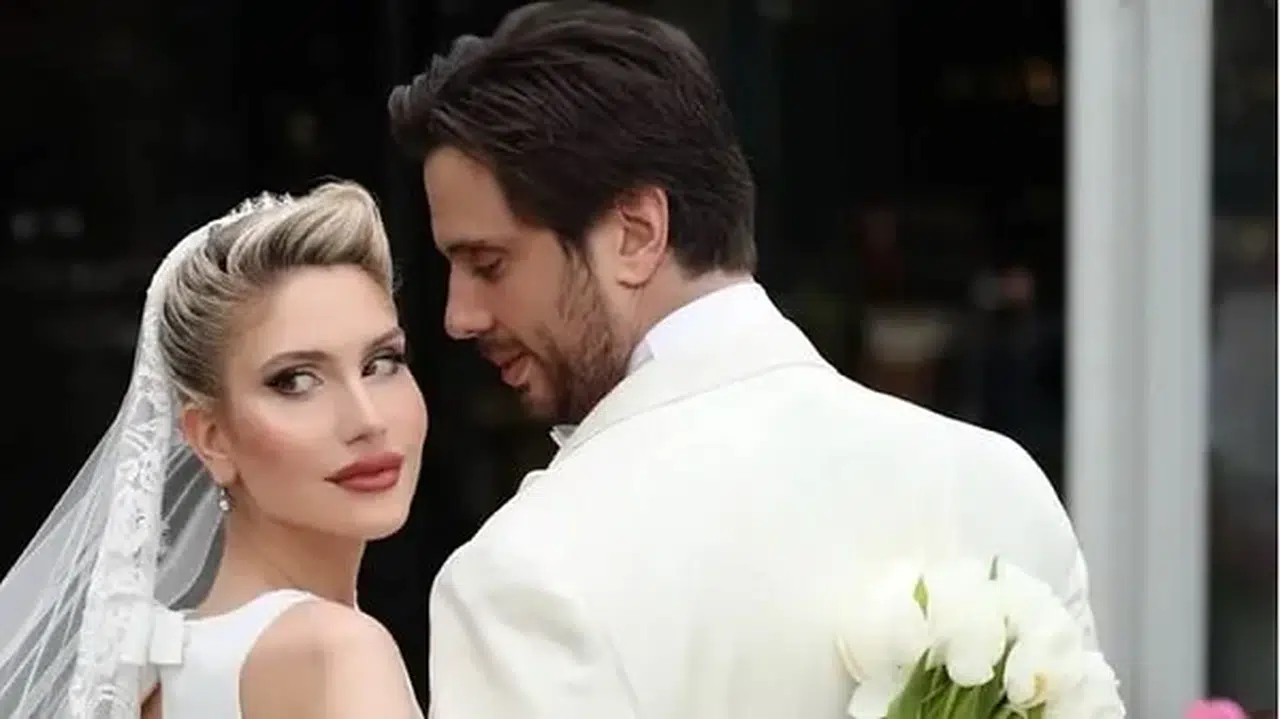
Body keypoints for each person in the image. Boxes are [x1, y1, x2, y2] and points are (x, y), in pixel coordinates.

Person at [389, 2, 1104, 718]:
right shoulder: (998, 485)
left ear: (636, 233)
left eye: (488, 262)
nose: (458, 315)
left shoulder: (529, 573)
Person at [0, 182, 427, 718]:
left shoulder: (162, 674)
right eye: (295, 381)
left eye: (381, 363)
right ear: (211, 437)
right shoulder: (338, 652)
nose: (367, 420)